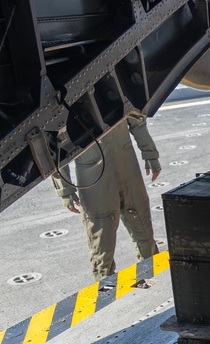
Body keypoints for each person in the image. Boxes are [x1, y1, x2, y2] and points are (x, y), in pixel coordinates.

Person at [53, 112, 163, 281]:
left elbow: (136, 119)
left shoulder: (110, 88)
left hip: (128, 171)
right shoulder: (64, 101)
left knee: (144, 233)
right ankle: (106, 294)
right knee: (101, 247)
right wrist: (65, 189)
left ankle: (153, 282)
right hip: (94, 180)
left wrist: (150, 153)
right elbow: (55, 146)